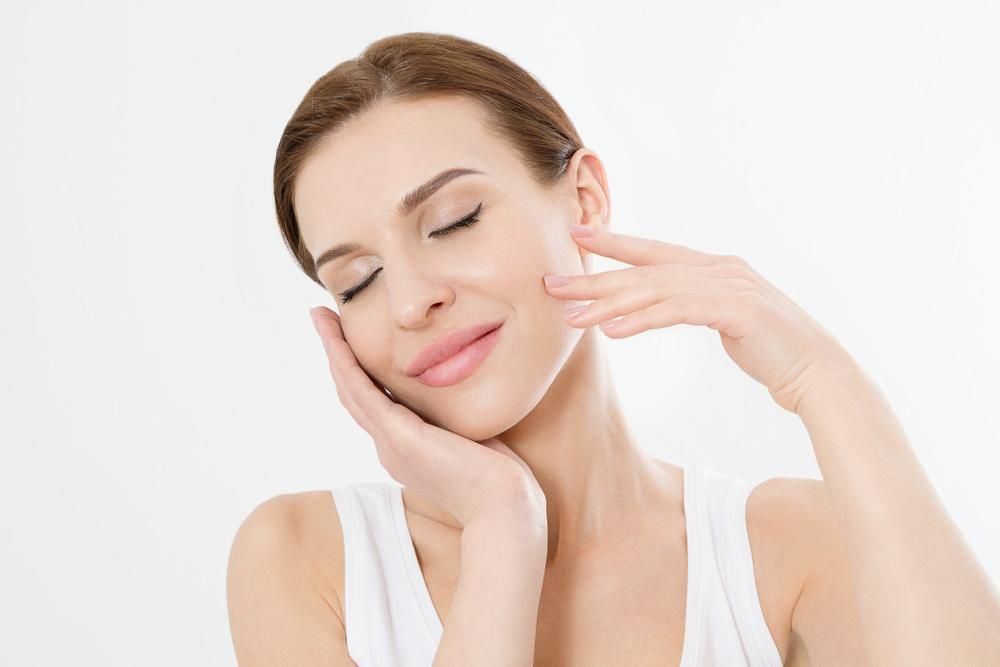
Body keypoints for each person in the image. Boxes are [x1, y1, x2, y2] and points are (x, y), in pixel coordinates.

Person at [226, 31, 1000, 667]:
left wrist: (824, 379)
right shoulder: (306, 561)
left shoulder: (786, 549)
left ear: (584, 199)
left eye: (455, 219)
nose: (407, 301)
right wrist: (503, 528)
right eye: (357, 280)